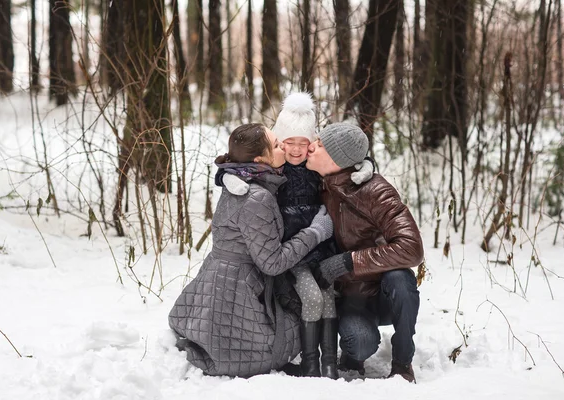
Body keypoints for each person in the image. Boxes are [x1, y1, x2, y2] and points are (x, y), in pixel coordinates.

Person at [218, 93, 375, 379]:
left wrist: (366, 166)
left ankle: (328, 364)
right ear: (278, 142)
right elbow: (242, 166)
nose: (295, 149)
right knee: (312, 297)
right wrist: (228, 178)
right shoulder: (274, 165)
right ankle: (310, 361)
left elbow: (346, 160)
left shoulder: (316, 167)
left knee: (327, 296)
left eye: (303, 143)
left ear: (312, 144)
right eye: (288, 142)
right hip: (290, 251)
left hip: (320, 247)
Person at [168, 123, 334, 378]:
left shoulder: (240, 178)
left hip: (220, 275)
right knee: (285, 339)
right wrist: (315, 232)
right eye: (277, 145)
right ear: (260, 159)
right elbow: (273, 263)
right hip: (239, 285)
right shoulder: (256, 196)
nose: (283, 148)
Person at [306, 122, 424, 383]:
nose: (311, 147)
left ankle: (403, 362)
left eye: (321, 145)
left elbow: (412, 248)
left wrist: (348, 262)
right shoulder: (318, 184)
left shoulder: (375, 191)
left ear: (339, 159)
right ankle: (354, 351)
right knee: (358, 344)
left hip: (384, 293)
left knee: (400, 279)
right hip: (350, 298)